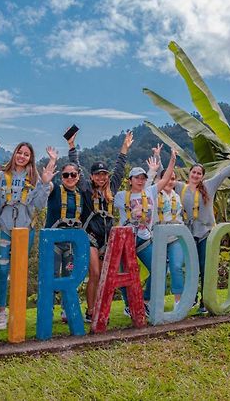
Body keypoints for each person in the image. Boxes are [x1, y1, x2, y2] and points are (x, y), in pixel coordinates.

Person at [67, 130, 134, 322]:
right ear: (92, 176)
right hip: (90, 236)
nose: (102, 178)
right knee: (95, 273)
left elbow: (120, 168)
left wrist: (124, 148)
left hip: (108, 237)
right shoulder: (86, 189)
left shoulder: (111, 189)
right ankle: (90, 311)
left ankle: (101, 310)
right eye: (98, 175)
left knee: (106, 276)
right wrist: (72, 147)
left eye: (104, 174)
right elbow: (77, 170)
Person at [0, 143, 58, 330]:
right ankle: (1, 311)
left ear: (31, 158)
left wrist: (45, 183)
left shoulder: (34, 179)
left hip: (25, 230)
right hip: (3, 227)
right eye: (19, 152)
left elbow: (39, 205)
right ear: (14, 154)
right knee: (2, 270)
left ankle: (16, 311)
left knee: (18, 272)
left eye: (26, 154)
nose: (21, 156)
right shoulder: (2, 176)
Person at [173, 157, 230, 314]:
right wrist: (158, 160)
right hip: (189, 234)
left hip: (207, 234)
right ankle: (189, 299)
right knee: (191, 267)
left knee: (205, 267)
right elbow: (163, 180)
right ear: (189, 174)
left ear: (202, 176)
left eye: (199, 173)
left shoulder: (209, 186)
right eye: (194, 172)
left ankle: (204, 302)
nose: (196, 175)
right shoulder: (180, 187)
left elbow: (226, 171)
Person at [113, 148, 177, 317]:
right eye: (137, 178)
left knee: (159, 268)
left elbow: (165, 178)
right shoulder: (120, 196)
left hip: (144, 239)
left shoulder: (150, 192)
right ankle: (129, 305)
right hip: (125, 240)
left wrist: (172, 160)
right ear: (130, 180)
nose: (140, 181)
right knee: (126, 274)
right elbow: (105, 193)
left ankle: (146, 301)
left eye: (143, 178)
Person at [46, 161, 84, 323]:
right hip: (53, 241)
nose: (69, 177)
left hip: (71, 241)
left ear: (78, 177)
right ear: (61, 177)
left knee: (70, 275)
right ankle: (47, 309)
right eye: (66, 175)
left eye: (73, 174)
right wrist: (46, 177)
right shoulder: (54, 190)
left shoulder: (81, 195)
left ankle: (66, 309)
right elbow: (45, 187)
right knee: (51, 275)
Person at [146, 148, 185, 307]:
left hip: (175, 237)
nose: (171, 181)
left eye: (173, 179)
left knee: (176, 266)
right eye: (168, 178)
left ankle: (178, 301)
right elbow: (150, 182)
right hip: (158, 237)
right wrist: (158, 157)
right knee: (157, 269)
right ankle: (150, 300)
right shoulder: (154, 194)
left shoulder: (177, 196)